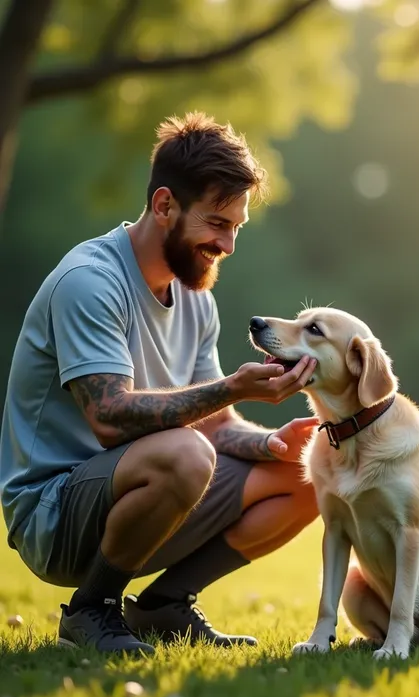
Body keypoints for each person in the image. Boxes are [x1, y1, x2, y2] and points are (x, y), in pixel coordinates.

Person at [0, 112, 319, 655]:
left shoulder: (197, 298)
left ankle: (164, 606)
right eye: (217, 224)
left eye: (236, 227)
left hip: (146, 486)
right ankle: (90, 609)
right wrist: (235, 388)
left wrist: (269, 443)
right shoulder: (90, 282)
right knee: (184, 454)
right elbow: (109, 417)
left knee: (311, 470)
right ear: (165, 204)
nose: (229, 245)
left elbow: (216, 425)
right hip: (53, 512)